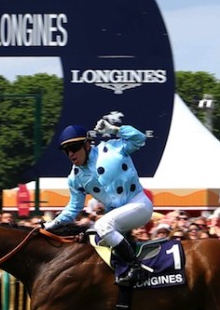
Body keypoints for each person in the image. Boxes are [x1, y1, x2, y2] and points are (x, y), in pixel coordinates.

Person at [43, 111, 153, 284]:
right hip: (118, 217)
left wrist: (114, 130)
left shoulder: (113, 148)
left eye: (74, 148)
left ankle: (136, 268)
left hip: (139, 204)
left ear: (87, 144)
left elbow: (139, 138)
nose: (70, 154)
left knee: (102, 225)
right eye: (66, 151)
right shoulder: (75, 178)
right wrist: (50, 225)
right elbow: (73, 208)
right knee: (90, 238)